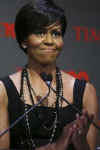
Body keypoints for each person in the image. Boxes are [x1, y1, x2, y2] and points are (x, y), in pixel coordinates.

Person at [0, 0, 99, 149]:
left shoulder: (86, 92)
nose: (49, 41)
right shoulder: (3, 91)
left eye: (55, 33)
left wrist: (81, 143)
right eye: (40, 32)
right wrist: (54, 147)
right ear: (24, 41)